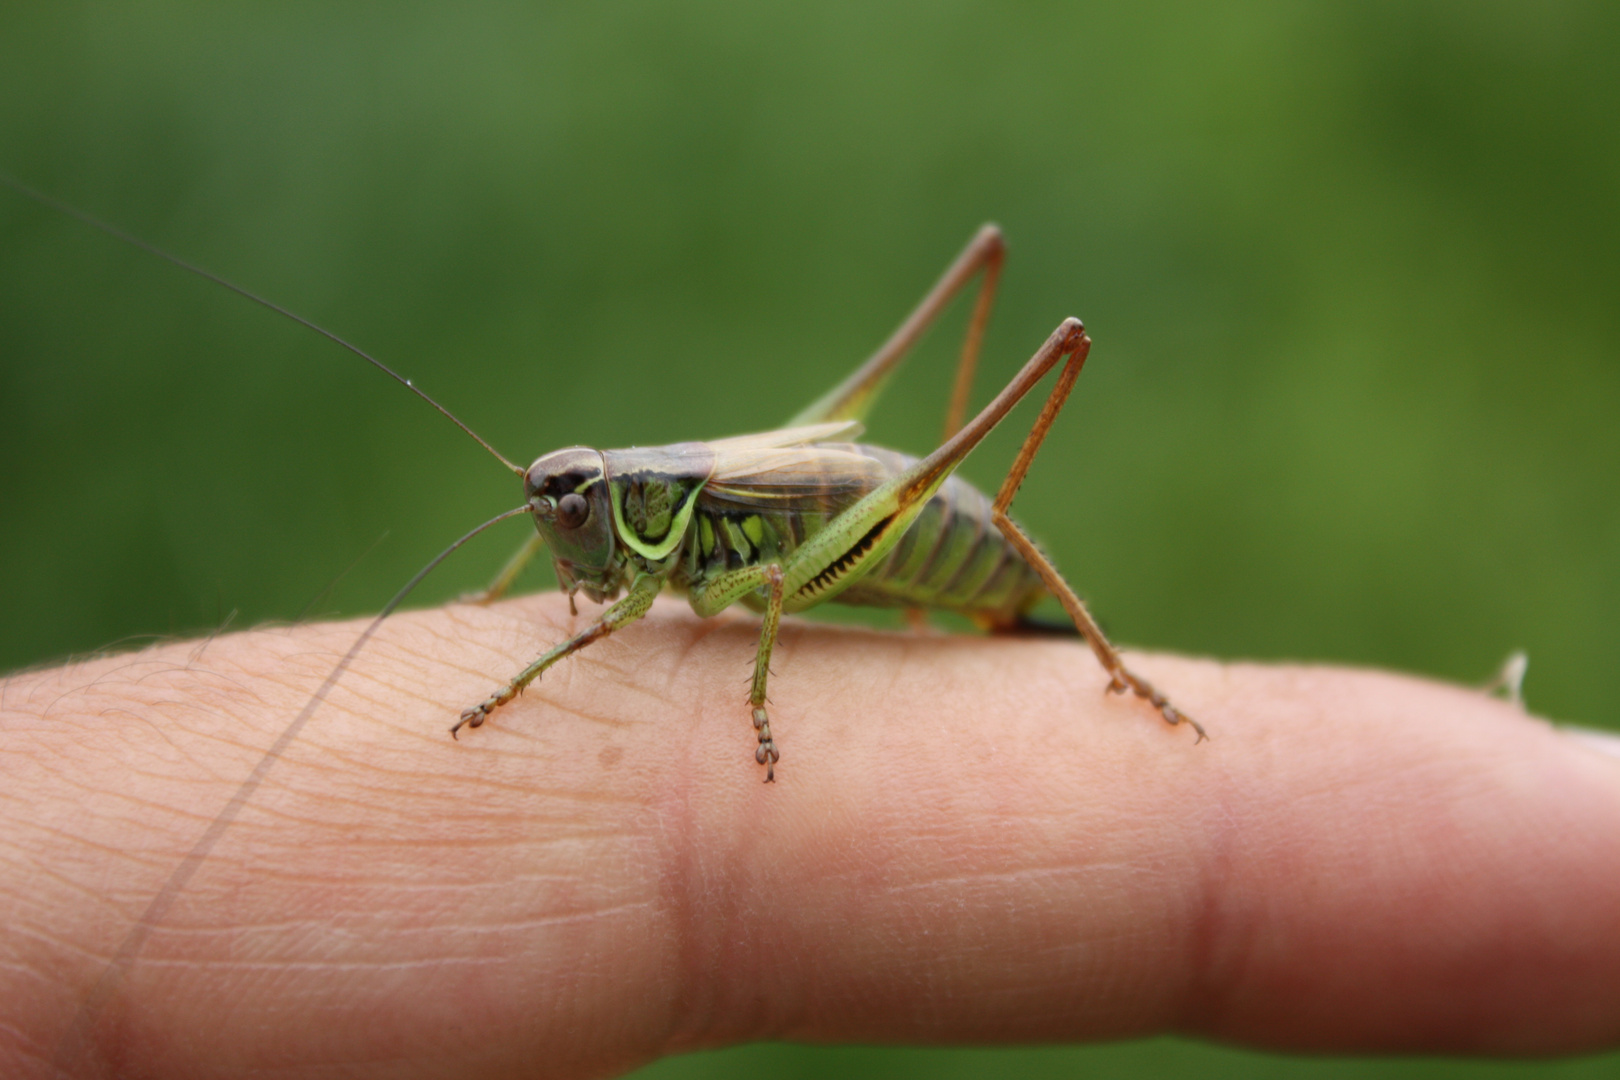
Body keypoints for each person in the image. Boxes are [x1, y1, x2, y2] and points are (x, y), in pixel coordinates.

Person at [7, 593, 1619, 1078]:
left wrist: (751, 694)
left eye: (578, 503)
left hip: (880, 525)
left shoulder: (690, 538)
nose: (575, 527)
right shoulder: (627, 540)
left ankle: (1111, 667)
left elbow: (705, 611)